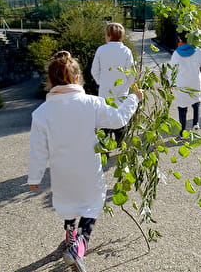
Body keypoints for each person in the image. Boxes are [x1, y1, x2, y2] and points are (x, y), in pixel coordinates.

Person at [28, 51, 143, 271]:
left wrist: (34, 176)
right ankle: (79, 246)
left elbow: (38, 149)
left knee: (68, 206)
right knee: (92, 205)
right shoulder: (92, 103)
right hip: (89, 169)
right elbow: (118, 120)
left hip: (62, 173)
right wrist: (133, 99)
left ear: (50, 81)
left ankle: (70, 235)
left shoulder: (42, 113)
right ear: (77, 78)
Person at [91, 22, 135, 144]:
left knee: (104, 119)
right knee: (120, 117)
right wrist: (130, 85)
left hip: (105, 91)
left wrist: (102, 82)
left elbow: (94, 70)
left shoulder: (101, 50)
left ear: (108, 35)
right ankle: (121, 144)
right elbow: (131, 72)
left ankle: (104, 147)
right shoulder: (126, 51)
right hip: (122, 91)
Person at [170, 31, 201, 136]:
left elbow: (171, 70)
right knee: (196, 102)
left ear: (180, 38)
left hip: (181, 82)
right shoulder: (198, 50)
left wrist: (171, 83)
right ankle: (195, 123)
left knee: (182, 106)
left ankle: (182, 130)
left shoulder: (176, 53)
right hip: (195, 81)